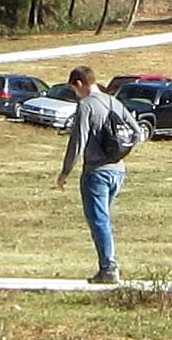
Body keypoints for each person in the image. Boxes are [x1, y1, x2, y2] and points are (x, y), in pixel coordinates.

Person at [54, 64, 138, 285]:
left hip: (96, 173)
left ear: (80, 84)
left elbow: (78, 141)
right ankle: (106, 266)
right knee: (104, 220)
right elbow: (137, 131)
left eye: (74, 89)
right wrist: (118, 151)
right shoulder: (114, 102)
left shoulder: (86, 106)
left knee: (99, 221)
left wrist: (65, 172)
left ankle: (109, 268)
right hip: (118, 171)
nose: (75, 94)